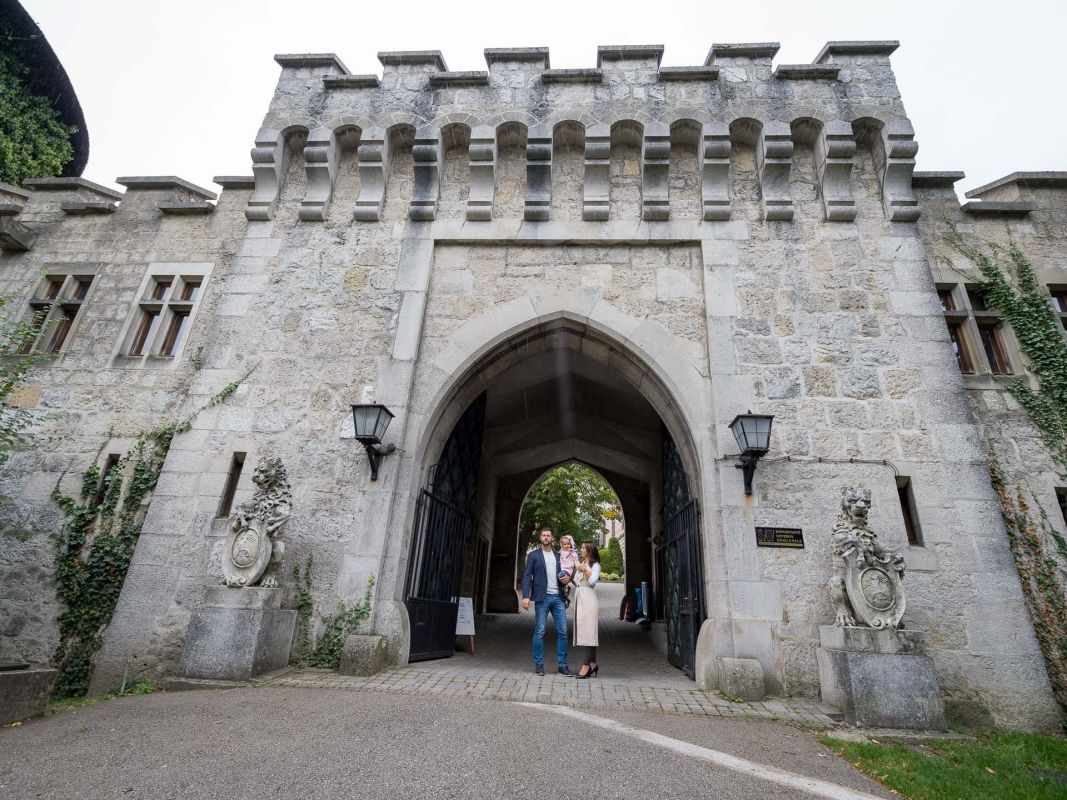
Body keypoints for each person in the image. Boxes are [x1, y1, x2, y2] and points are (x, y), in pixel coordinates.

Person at [521, 528, 572, 676]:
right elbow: (527, 576)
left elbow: (565, 572)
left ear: (552, 538)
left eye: (548, 535)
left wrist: (567, 578)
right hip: (541, 598)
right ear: (540, 537)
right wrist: (525, 596)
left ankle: (562, 666)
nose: (546, 537)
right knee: (540, 631)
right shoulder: (533, 555)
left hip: (558, 597)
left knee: (563, 631)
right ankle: (539, 665)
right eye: (543, 535)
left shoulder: (558, 555)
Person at [573, 542, 601, 678]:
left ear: (589, 550)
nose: (581, 549)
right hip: (580, 597)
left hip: (589, 598)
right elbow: (576, 582)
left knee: (589, 631)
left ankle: (586, 665)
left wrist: (585, 570)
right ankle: (593, 664)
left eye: (584, 547)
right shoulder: (582, 563)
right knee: (585, 630)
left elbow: (592, 582)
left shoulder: (595, 565)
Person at [558, 535, 579, 608]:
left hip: (568, 570)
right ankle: (565, 596)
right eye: (565, 544)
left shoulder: (573, 553)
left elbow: (576, 562)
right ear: (562, 545)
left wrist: (578, 567)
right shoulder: (560, 552)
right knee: (559, 584)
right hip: (561, 569)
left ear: (571, 544)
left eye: (568, 544)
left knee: (560, 576)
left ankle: (566, 588)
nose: (566, 545)